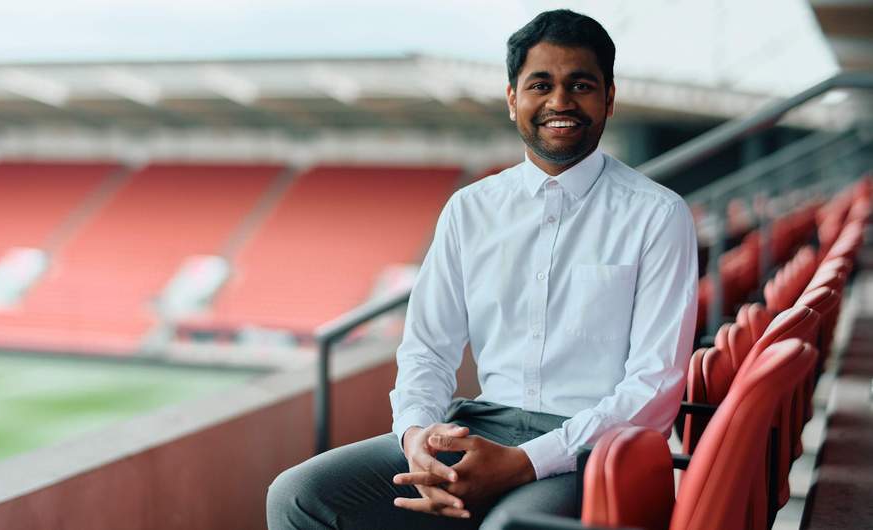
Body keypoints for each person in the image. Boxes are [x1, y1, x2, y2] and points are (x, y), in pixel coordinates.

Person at [267, 9, 698, 529]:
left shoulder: (658, 214)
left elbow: (655, 387)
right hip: (476, 426)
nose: (560, 101)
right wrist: (417, 437)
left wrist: (526, 462)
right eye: (541, 84)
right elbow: (428, 348)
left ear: (608, 96)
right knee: (298, 496)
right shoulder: (469, 210)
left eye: (580, 84)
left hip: (587, 449)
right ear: (513, 97)